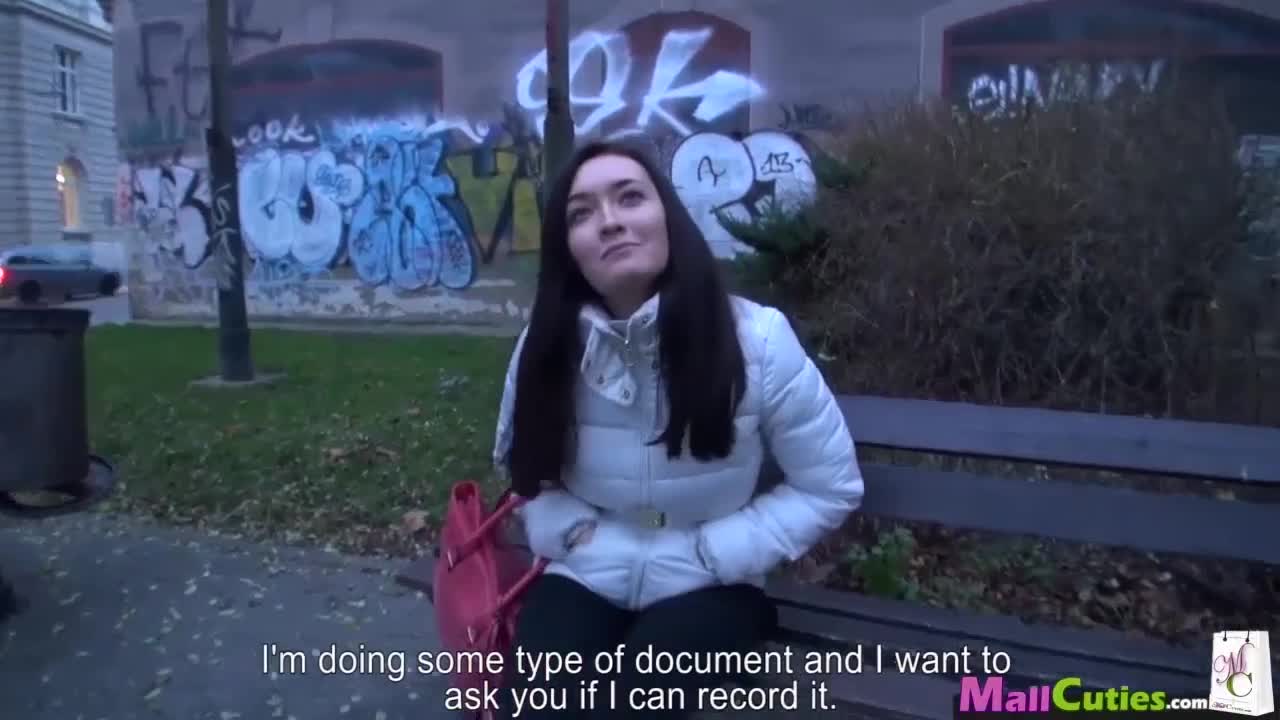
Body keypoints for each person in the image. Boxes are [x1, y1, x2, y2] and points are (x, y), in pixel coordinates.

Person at [490, 139, 864, 719]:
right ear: (569, 250)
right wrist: (570, 531)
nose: (609, 222)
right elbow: (524, 470)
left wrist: (719, 552)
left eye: (629, 198)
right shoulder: (544, 343)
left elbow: (829, 485)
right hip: (589, 567)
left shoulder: (758, 339)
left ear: (668, 217)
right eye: (582, 213)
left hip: (711, 580)